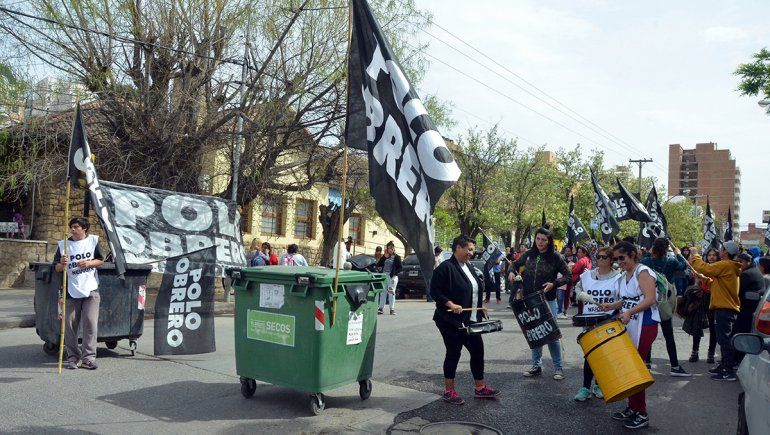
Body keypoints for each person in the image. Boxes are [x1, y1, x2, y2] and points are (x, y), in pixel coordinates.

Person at [430, 234, 499, 405]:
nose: (471, 253)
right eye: (469, 250)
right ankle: (449, 390)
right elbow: (435, 291)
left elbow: (473, 289)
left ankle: (480, 388)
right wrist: (450, 303)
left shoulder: (469, 266)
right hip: (450, 320)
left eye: (472, 250)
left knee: (477, 350)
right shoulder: (445, 268)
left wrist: (480, 307)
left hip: (471, 318)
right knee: (454, 352)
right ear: (458, 248)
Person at [605, 241, 659, 430]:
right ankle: (632, 407)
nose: (619, 262)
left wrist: (629, 312)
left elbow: (650, 298)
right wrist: (613, 306)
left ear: (633, 254)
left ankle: (642, 412)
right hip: (631, 324)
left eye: (622, 258)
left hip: (645, 324)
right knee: (629, 366)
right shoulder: (625, 274)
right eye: (616, 259)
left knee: (636, 368)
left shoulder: (642, 271)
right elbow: (628, 299)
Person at [508, 227, 570, 380]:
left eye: (544, 239)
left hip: (548, 300)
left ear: (549, 241)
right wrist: (511, 271)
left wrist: (553, 283)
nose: (540, 242)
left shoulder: (556, 257)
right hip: (529, 300)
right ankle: (536, 365)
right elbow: (513, 264)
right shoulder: (528, 254)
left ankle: (558, 368)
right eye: (538, 239)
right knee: (534, 332)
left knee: (551, 335)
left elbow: (568, 276)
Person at [54, 217, 104, 370]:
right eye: (71, 227)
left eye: (76, 227)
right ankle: (73, 356)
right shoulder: (64, 245)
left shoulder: (93, 241)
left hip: (91, 289)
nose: (73, 229)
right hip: (71, 290)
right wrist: (62, 263)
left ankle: (88, 357)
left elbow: (100, 260)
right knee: (69, 325)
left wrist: (89, 263)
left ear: (85, 229)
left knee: (90, 322)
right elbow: (56, 268)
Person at [573, 246, 620, 402]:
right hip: (590, 320)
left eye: (604, 257)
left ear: (611, 260)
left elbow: (623, 297)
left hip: (608, 320)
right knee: (590, 355)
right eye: (598, 257)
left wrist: (614, 306)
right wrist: (580, 294)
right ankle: (585, 387)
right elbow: (578, 288)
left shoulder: (618, 277)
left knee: (605, 354)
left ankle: (599, 385)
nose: (600, 260)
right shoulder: (587, 275)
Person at [689, 241, 742, 381]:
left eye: (721, 248)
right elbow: (716, 284)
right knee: (723, 339)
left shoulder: (726, 264)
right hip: (725, 308)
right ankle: (724, 365)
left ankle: (728, 370)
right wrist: (704, 280)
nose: (719, 250)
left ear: (725, 251)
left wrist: (695, 255)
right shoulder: (728, 266)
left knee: (724, 340)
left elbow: (704, 267)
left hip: (724, 309)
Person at [640, 238, 691, 377]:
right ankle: (674, 366)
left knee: (649, 333)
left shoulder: (646, 262)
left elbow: (640, 265)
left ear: (653, 248)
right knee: (669, 335)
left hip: (649, 300)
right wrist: (679, 253)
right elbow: (683, 266)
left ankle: (647, 363)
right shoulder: (671, 261)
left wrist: (647, 253)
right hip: (665, 301)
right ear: (666, 248)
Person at [688, 247, 719, 363]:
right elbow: (697, 283)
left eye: (714, 255)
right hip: (702, 299)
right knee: (697, 326)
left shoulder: (719, 269)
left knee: (713, 328)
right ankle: (694, 352)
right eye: (710, 255)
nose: (712, 257)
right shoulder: (703, 268)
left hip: (714, 299)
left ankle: (711, 354)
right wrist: (697, 279)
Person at [733, 252, 764, 364]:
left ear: (749, 262)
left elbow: (735, 291)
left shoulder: (746, 274)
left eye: (741, 262)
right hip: (752, 308)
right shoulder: (754, 271)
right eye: (737, 262)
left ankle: (735, 360)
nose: (738, 264)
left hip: (746, 310)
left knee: (737, 335)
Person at [561, 246, 591, 319]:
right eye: (578, 252)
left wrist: (571, 267)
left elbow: (574, 270)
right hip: (584, 281)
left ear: (584, 253)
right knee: (581, 297)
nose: (578, 254)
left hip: (579, 281)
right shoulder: (588, 260)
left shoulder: (582, 260)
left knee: (580, 298)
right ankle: (581, 312)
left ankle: (580, 313)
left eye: (579, 252)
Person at [375, 241, 402, 315]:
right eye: (389, 248)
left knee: (391, 293)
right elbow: (378, 265)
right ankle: (380, 308)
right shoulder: (385, 256)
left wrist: (394, 274)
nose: (390, 249)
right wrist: (384, 257)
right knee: (383, 292)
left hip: (392, 277)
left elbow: (400, 268)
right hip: (384, 276)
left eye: (391, 248)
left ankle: (392, 309)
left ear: (393, 248)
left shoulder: (397, 257)